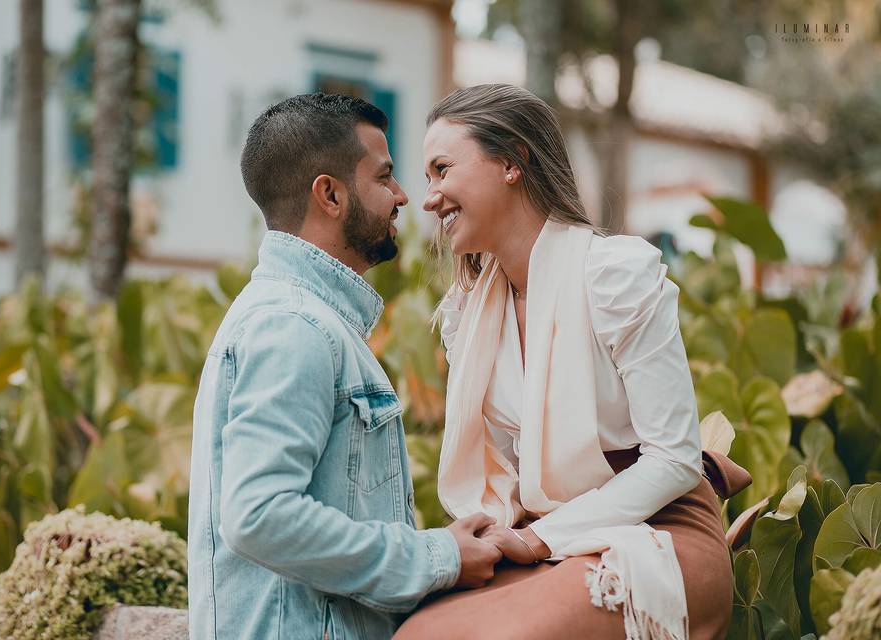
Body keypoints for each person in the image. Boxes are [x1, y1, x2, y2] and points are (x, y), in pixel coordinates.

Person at [394, 84, 752, 640]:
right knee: (417, 633)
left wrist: (541, 540)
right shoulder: (470, 313)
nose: (430, 197)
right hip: (545, 532)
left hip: (659, 531)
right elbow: (514, 468)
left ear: (512, 162)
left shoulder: (614, 276)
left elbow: (675, 460)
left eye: (443, 169)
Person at [187, 93, 502, 640]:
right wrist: (437, 557)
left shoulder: (310, 321)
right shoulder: (293, 327)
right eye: (384, 177)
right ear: (330, 195)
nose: (404, 196)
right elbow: (260, 515)